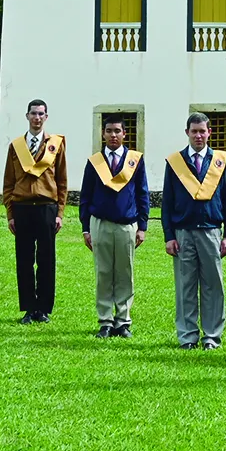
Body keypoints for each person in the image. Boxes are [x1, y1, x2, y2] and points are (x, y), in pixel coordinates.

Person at [161, 112, 226, 350]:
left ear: (209, 132)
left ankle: (212, 336)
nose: (199, 136)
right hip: (183, 233)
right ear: (187, 133)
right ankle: (187, 336)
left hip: (211, 231)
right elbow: (167, 201)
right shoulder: (175, 162)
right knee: (185, 286)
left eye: (203, 131)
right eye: (194, 131)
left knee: (214, 286)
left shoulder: (220, 162)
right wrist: (169, 236)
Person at [78, 115, 147, 338]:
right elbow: (85, 196)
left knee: (125, 274)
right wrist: (85, 228)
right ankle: (106, 321)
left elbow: (142, 193)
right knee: (103, 273)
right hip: (100, 224)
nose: (113, 135)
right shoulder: (95, 162)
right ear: (103, 134)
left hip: (127, 225)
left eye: (117, 131)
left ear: (125, 134)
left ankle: (123, 321)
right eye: (109, 131)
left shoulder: (134, 161)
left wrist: (142, 226)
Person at [3, 98, 67, 325]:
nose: (37, 118)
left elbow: (62, 181)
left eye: (41, 114)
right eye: (33, 114)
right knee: (24, 260)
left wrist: (60, 212)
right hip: (22, 208)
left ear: (46, 117)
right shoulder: (16, 146)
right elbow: (8, 183)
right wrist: (10, 214)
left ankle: (44, 309)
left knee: (47, 260)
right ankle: (29, 308)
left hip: (46, 208)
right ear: (27, 116)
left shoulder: (56, 144)